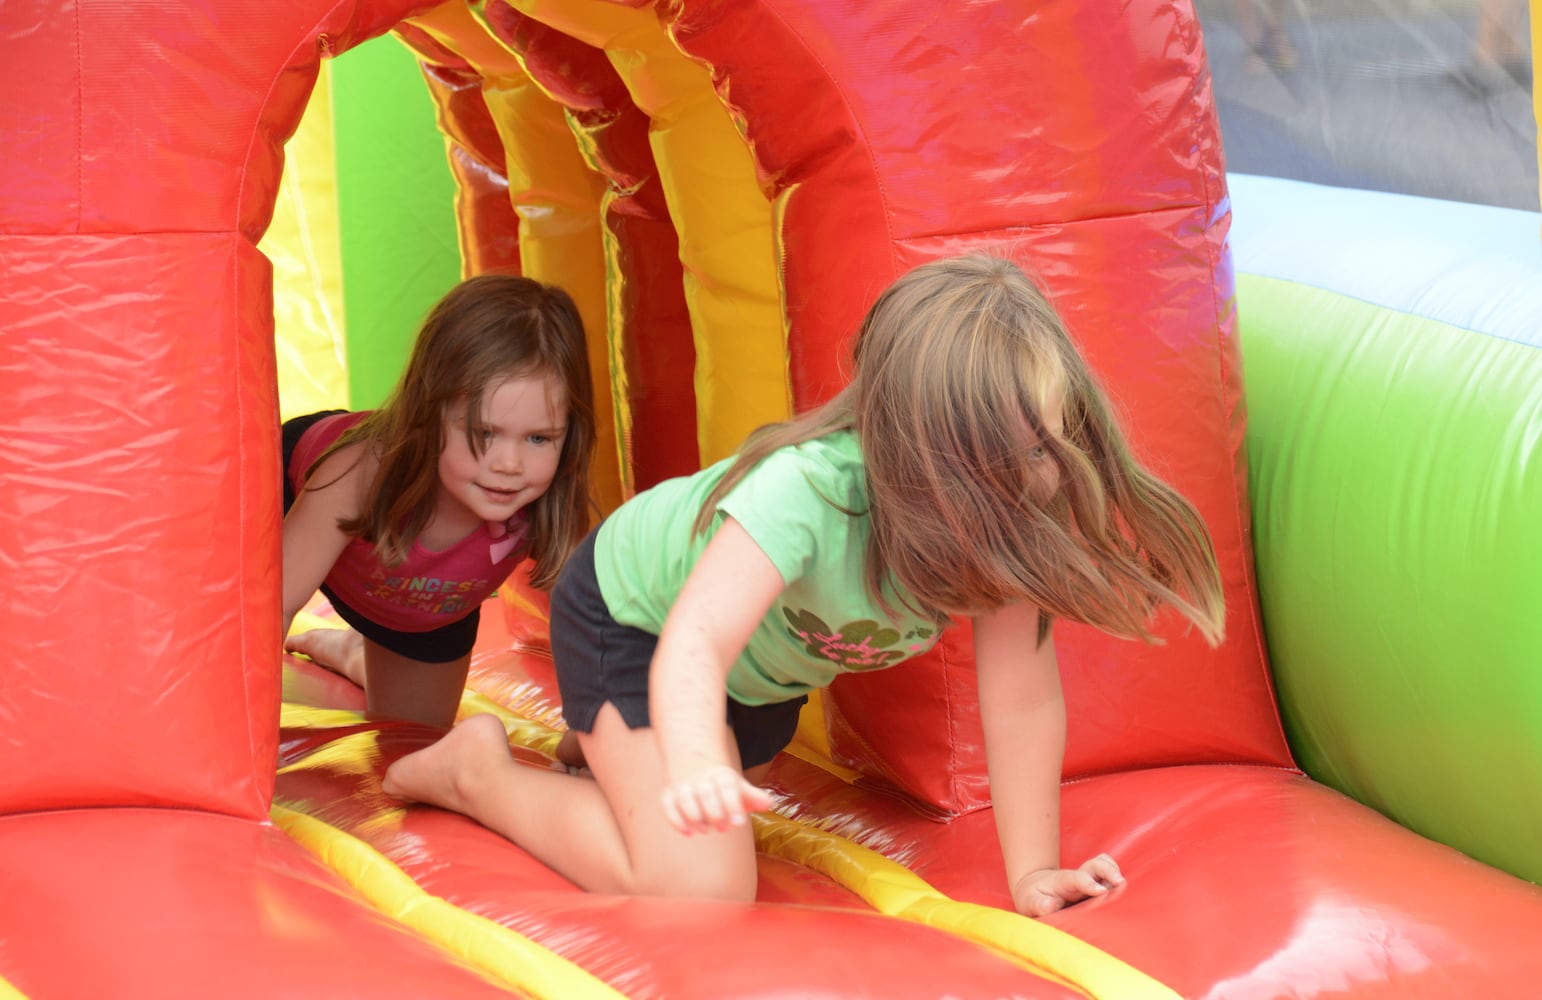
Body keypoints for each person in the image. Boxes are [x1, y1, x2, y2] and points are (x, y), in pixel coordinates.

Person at [382, 254, 1226, 917]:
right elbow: (694, 643)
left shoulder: (1003, 522)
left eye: (1040, 452)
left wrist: (1036, 871)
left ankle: (599, 753)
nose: (1021, 485)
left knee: (697, 782)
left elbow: (1022, 700)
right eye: (987, 465)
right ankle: (476, 772)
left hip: (753, 680)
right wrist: (691, 758)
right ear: (903, 450)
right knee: (702, 885)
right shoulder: (809, 493)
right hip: (638, 620)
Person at [281, 274, 595, 731]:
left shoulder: (549, 498)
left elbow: (589, 637)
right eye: (485, 433)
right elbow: (269, 612)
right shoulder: (358, 474)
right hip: (292, 517)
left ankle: (354, 653)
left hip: (422, 605)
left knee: (414, 736)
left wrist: (595, 738)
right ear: (429, 415)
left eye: (538, 437)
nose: (509, 463)